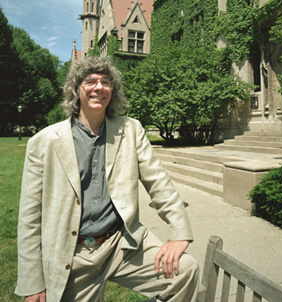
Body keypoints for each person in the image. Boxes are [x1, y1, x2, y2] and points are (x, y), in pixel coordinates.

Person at [15, 57, 200, 302]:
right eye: (90, 81)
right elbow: (29, 217)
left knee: (185, 270)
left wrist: (179, 233)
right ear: (76, 89)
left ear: (112, 91)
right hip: (72, 255)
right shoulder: (44, 142)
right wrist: (33, 282)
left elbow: (159, 183)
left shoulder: (130, 130)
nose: (99, 87)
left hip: (122, 245)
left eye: (105, 82)